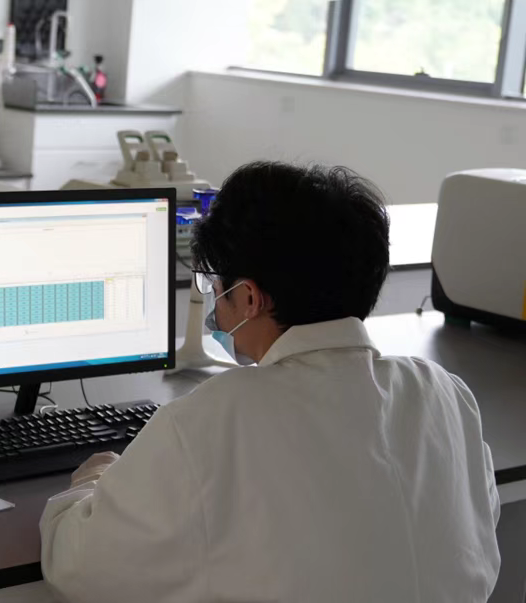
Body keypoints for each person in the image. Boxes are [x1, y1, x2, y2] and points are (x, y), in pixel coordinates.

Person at [39, 161, 501, 602]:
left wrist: (93, 482)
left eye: (216, 288)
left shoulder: (217, 416)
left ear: (248, 297)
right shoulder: (444, 393)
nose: (216, 309)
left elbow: (81, 571)